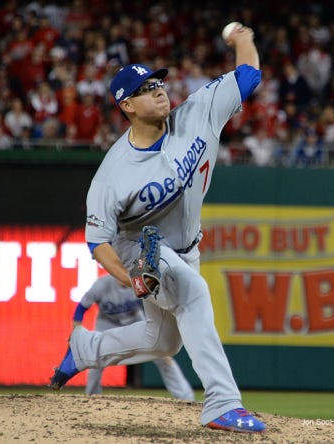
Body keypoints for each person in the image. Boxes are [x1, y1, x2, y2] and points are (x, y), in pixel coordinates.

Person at [49, 23, 266, 434]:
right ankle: (222, 403)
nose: (159, 90)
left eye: (158, 83)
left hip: (187, 246)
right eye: (146, 89)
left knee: (163, 341)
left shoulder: (199, 112)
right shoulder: (113, 174)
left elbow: (248, 75)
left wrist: (243, 40)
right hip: (140, 248)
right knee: (194, 294)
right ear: (127, 105)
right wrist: (130, 278)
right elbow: (97, 242)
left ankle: (85, 347)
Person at [73, 275, 195, 400]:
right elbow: (81, 308)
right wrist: (76, 331)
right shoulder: (102, 285)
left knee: (163, 356)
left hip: (135, 321)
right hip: (108, 324)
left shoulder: (139, 283)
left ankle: (185, 397)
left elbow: (157, 306)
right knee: (95, 358)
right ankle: (91, 397)